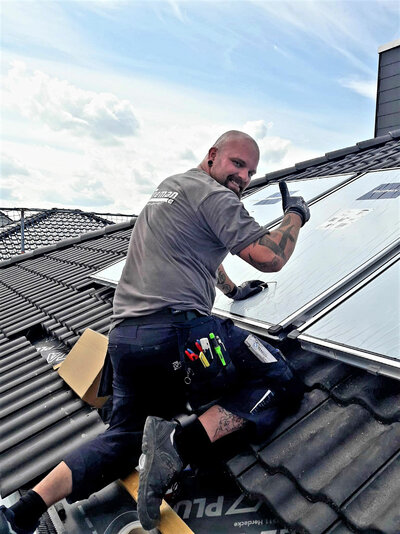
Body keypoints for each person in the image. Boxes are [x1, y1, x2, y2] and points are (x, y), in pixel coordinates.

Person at [0, 131, 309, 534]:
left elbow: (196, 251)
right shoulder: (216, 197)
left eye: (250, 171)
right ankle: (178, 446)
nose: (243, 177)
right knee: (279, 378)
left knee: (125, 438)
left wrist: (232, 291)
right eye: (237, 164)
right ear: (213, 156)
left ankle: (19, 513)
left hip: (126, 342)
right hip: (176, 335)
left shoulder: (172, 188)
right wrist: (296, 215)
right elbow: (270, 256)